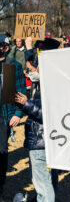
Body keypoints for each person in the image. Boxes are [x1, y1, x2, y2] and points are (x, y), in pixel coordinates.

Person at [14, 37, 60, 202]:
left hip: (41, 140)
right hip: (44, 139)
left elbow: (47, 114)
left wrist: (26, 104)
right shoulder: (41, 82)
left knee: (43, 185)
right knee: (47, 182)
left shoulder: (50, 83)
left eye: (30, 69)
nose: (28, 72)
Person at [0, 36, 26, 201]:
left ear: (5, 48)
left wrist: (17, 114)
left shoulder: (11, 66)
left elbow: (21, 91)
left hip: (3, 116)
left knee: (1, 154)